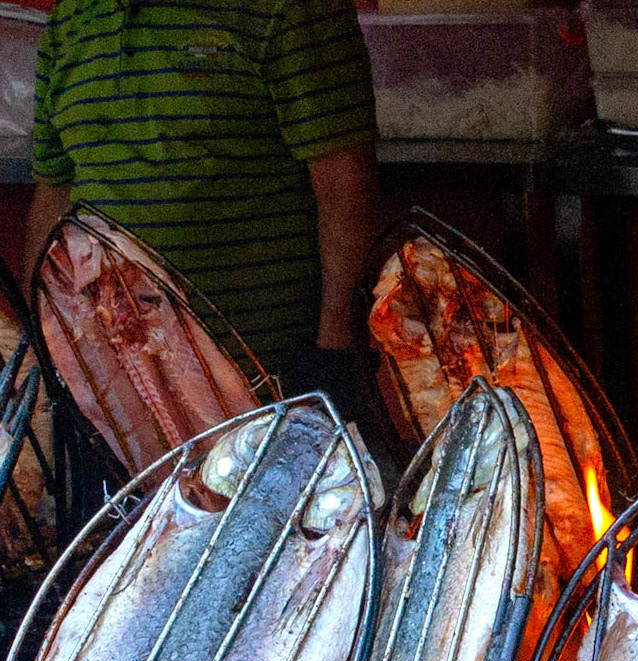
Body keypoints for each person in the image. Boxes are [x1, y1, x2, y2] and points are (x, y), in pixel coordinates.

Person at [23, 0, 378, 414]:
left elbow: (345, 184)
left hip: (265, 388)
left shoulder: (292, 9)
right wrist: (39, 344)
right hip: (113, 399)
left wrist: (334, 349)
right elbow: (54, 193)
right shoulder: (70, 19)